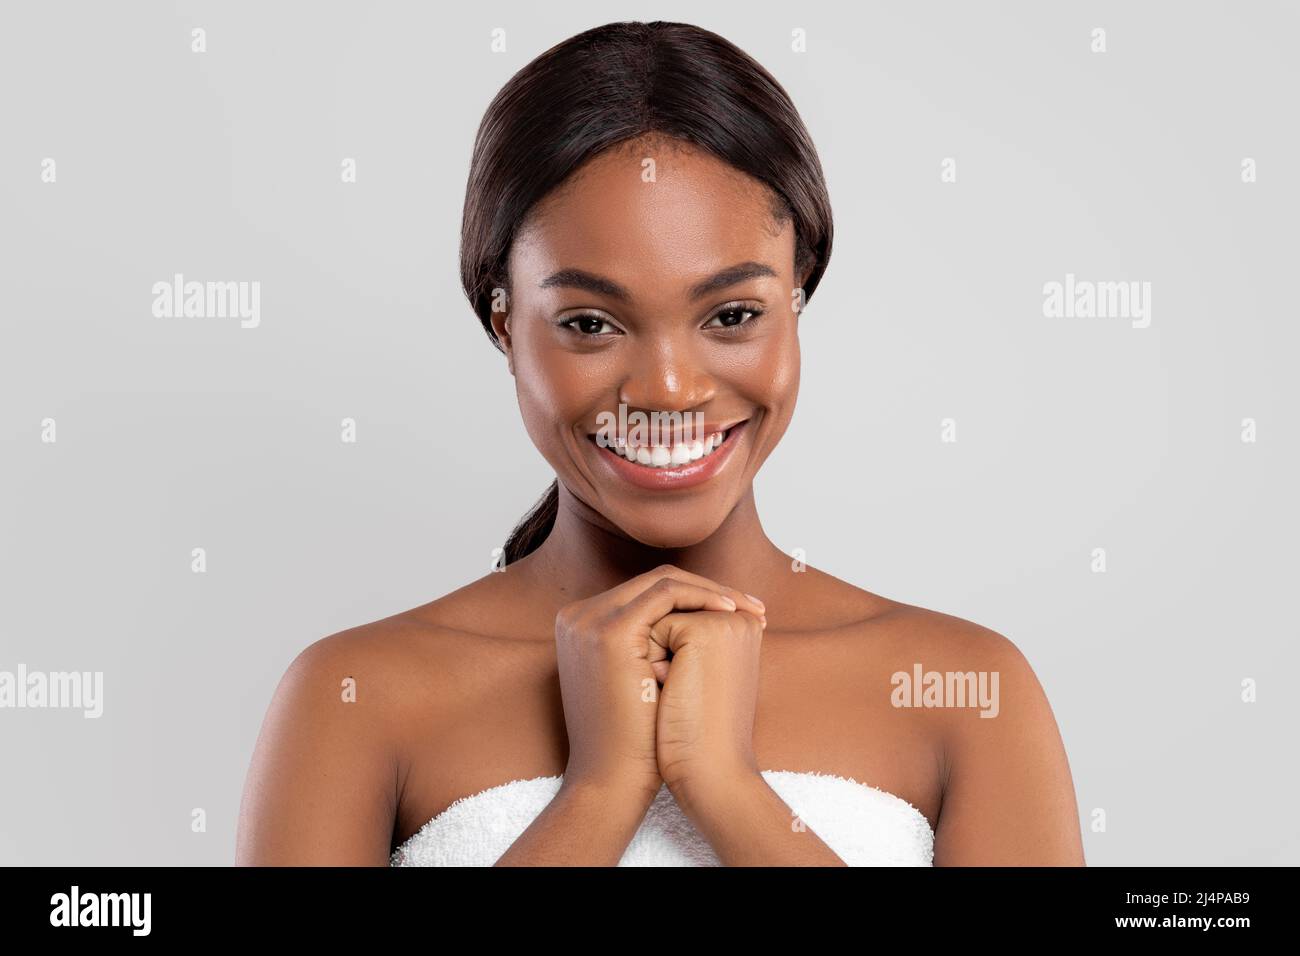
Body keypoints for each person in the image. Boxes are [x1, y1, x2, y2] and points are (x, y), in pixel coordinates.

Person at [236, 20, 1085, 866]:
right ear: (504, 325)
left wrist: (722, 784)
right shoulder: (352, 700)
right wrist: (600, 790)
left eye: (733, 315)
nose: (670, 389)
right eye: (590, 323)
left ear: (798, 300)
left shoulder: (969, 693)